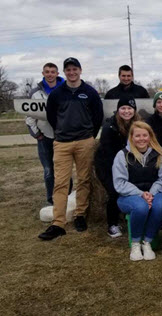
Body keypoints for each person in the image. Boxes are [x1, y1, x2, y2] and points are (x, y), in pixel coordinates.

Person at [39, 57, 103, 240]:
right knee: (61, 182)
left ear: (80, 71)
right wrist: (62, 131)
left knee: (83, 179)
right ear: (64, 72)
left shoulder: (89, 92)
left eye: (75, 69)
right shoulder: (57, 94)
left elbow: (97, 116)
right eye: (68, 70)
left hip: (84, 142)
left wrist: (89, 135)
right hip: (62, 143)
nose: (72, 72)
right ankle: (58, 223)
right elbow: (52, 117)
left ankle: (80, 215)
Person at [112, 121, 162, 261]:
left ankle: (147, 241)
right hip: (129, 196)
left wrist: (151, 193)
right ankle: (136, 243)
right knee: (141, 206)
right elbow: (120, 183)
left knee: (161, 205)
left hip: (155, 192)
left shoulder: (160, 154)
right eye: (138, 136)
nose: (142, 139)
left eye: (145, 135)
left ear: (150, 136)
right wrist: (141, 194)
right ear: (131, 137)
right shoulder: (122, 155)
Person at [95, 95, 142, 238]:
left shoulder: (137, 125)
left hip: (127, 163)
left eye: (130, 108)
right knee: (115, 191)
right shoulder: (109, 127)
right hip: (107, 165)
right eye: (123, 108)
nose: (126, 111)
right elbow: (109, 154)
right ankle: (112, 224)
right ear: (118, 110)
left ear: (134, 110)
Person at [26, 62, 67, 205]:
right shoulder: (35, 93)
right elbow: (30, 116)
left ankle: (67, 196)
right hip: (45, 137)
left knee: (64, 169)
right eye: (47, 72)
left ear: (57, 74)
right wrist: (37, 134)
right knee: (49, 170)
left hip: (64, 137)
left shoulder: (66, 89)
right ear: (43, 73)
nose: (50, 74)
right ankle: (52, 200)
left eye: (52, 72)